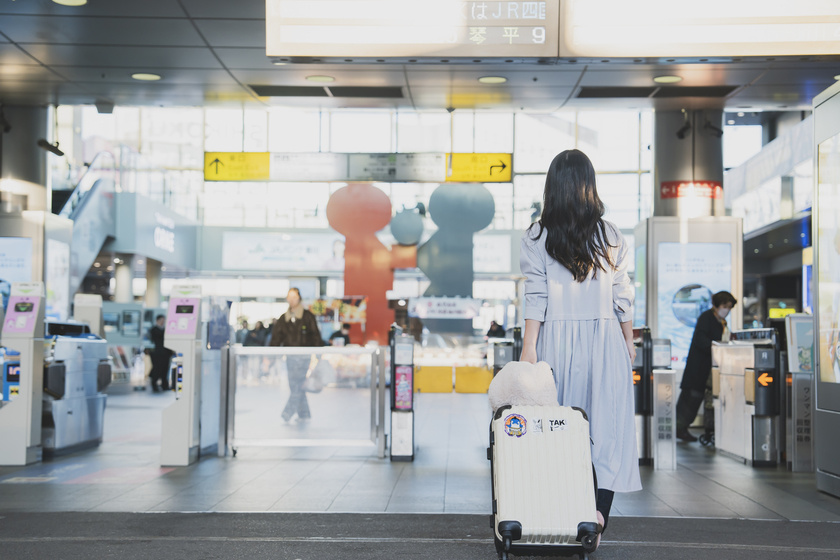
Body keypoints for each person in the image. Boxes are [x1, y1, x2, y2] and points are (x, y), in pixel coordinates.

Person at [519, 149, 641, 544]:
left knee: (558, 430)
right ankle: (597, 518)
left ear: (552, 187)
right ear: (590, 185)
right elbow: (623, 294)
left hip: (556, 341)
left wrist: (529, 349)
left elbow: (535, 295)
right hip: (606, 341)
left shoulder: (537, 236)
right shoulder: (611, 235)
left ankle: (563, 511)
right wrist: (628, 340)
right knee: (607, 429)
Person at [675, 290, 737, 442]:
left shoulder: (721, 322)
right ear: (716, 305)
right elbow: (700, 340)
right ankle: (678, 428)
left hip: (705, 371)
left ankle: (681, 428)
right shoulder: (706, 318)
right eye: (724, 306)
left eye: (729, 307)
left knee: (694, 401)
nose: (727, 310)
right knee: (689, 401)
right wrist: (716, 346)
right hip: (697, 370)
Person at [270, 287, 323, 422]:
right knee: (294, 385)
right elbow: (276, 337)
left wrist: (318, 354)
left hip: (303, 357)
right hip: (290, 357)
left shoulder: (307, 316)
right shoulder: (284, 318)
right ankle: (304, 414)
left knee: (298, 384)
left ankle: (287, 413)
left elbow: (316, 336)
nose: (292, 300)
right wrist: (270, 354)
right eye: (290, 297)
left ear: (299, 298)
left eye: (294, 297)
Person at [148, 314, 174, 392]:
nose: (163, 322)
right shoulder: (154, 330)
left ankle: (164, 385)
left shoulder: (165, 330)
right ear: (158, 320)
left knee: (165, 369)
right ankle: (154, 385)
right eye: (162, 320)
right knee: (157, 369)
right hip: (157, 353)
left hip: (165, 353)